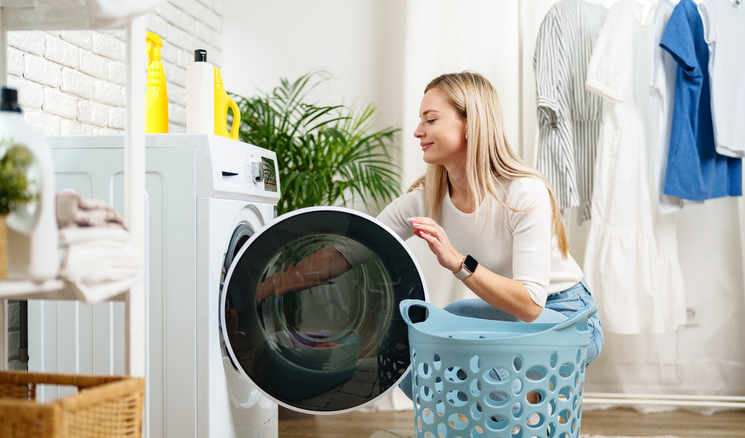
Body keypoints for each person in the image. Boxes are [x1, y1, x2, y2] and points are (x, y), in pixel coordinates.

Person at [256, 71, 603, 397]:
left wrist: (458, 263)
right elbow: (348, 252)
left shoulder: (522, 193)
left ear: (470, 124)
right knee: (420, 347)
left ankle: (519, 425)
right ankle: (498, 422)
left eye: (431, 119)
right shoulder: (426, 199)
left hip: (570, 319)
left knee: (484, 362)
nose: (418, 131)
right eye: (421, 119)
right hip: (509, 313)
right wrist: (266, 286)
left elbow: (529, 305)